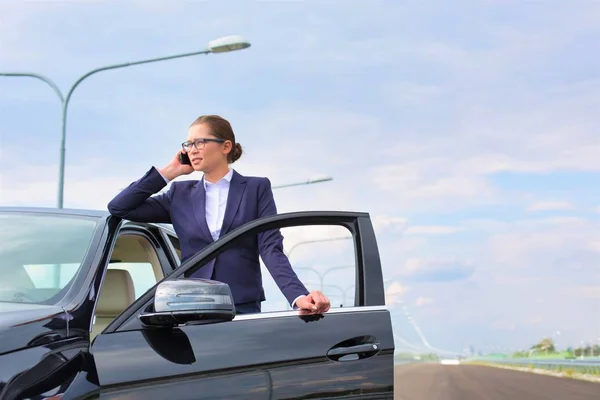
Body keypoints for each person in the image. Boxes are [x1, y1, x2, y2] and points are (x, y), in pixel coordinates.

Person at [107, 114, 330, 315]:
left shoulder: (255, 189)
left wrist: (298, 296)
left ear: (225, 147)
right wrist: (169, 172)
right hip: (191, 306)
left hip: (241, 305)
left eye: (200, 142)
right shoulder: (179, 194)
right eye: (188, 144)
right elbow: (120, 207)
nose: (191, 149)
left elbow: (270, 248)